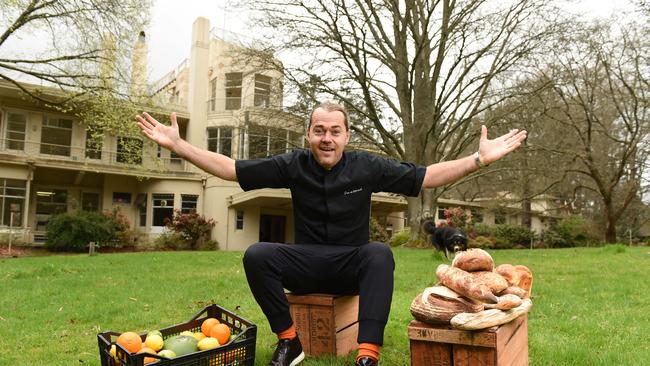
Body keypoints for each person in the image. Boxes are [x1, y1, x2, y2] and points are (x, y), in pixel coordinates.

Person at [136, 102, 527, 366]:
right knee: (257, 254)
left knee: (379, 253)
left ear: (346, 136)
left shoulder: (366, 167)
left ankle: (367, 353)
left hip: (350, 264)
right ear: (308, 134)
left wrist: (477, 159)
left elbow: (425, 177)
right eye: (319, 130)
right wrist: (179, 146)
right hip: (306, 262)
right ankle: (290, 341)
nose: (327, 138)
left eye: (335, 131)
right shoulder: (293, 164)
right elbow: (230, 169)